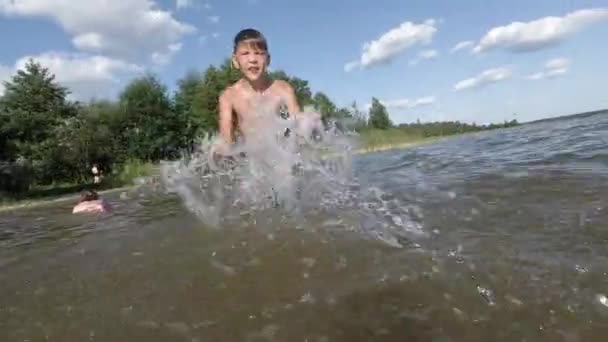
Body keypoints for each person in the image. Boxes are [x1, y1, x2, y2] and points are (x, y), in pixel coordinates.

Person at [215, 28, 322, 156]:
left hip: (283, 157)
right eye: (245, 53)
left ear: (268, 59)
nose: (253, 59)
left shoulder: (282, 89)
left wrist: (309, 124)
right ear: (235, 61)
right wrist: (220, 152)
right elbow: (226, 139)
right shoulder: (229, 96)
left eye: (259, 53)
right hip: (251, 161)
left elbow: (296, 122)